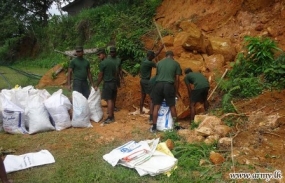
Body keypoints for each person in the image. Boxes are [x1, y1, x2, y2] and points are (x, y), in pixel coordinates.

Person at [150, 50, 182, 133]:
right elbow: (177, 79)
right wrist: (176, 91)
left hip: (158, 85)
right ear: (172, 56)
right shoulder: (176, 64)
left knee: (156, 106)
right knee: (172, 106)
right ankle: (176, 126)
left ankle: (154, 127)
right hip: (168, 85)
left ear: (166, 55)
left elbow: (157, 76)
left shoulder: (159, 63)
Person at [94, 48, 117, 123]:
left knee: (109, 100)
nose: (99, 56)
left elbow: (100, 76)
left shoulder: (103, 63)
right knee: (112, 99)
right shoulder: (112, 62)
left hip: (108, 83)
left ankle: (110, 117)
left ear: (104, 54)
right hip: (114, 83)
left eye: (99, 55)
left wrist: (97, 85)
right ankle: (112, 115)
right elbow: (115, 73)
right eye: (98, 55)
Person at [139, 45, 164, 115]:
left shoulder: (145, 60)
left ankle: (141, 111)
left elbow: (155, 54)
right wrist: (156, 59)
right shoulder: (149, 63)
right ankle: (151, 113)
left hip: (142, 80)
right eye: (152, 56)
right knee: (152, 97)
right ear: (150, 56)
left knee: (143, 96)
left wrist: (160, 48)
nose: (153, 57)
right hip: (147, 81)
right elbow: (158, 65)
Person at [108, 46, 124, 111]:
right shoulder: (108, 59)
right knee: (110, 93)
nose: (112, 53)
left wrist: (122, 78)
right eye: (111, 52)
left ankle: (113, 106)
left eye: (113, 52)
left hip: (116, 78)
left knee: (115, 92)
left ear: (115, 52)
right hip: (110, 78)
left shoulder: (118, 60)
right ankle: (110, 107)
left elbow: (120, 69)